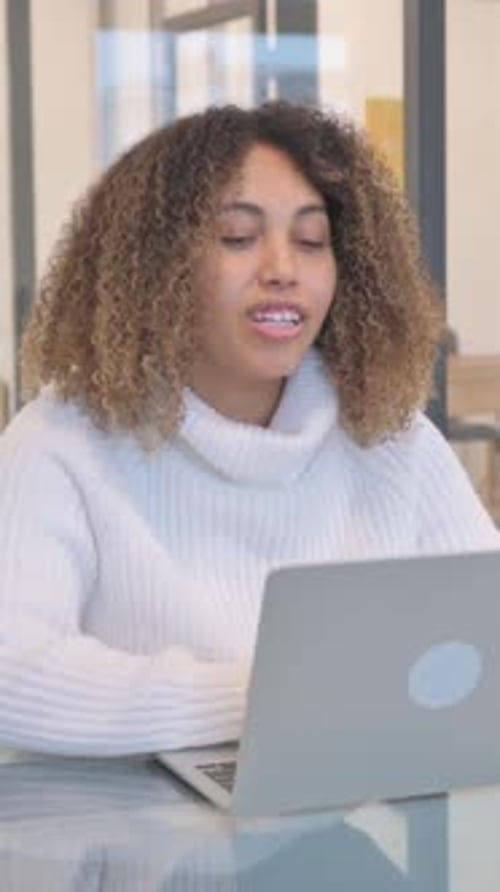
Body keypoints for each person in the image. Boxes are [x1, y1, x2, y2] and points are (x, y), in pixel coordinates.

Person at [0, 101, 498, 757]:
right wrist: (273, 699)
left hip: (358, 827)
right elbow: (12, 675)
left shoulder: (391, 439)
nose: (283, 268)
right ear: (156, 270)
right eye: (237, 237)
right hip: (124, 842)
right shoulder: (60, 443)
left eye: (312, 241)